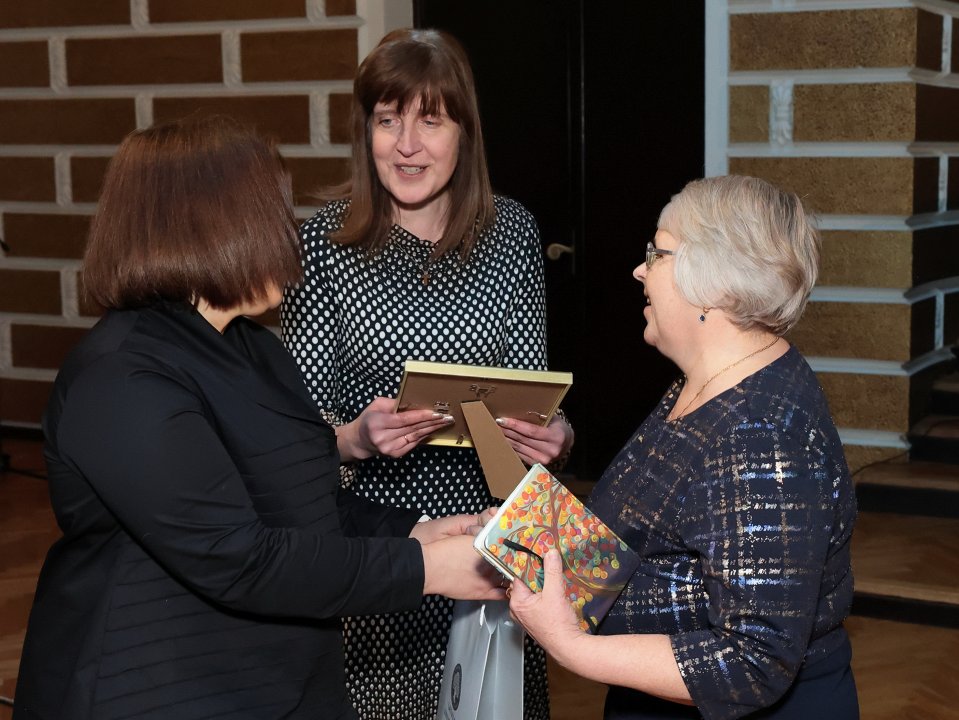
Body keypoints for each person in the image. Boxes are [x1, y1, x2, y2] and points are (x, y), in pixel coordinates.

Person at [12, 116, 505, 720]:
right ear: (214, 225)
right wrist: (426, 568)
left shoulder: (255, 348)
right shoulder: (122, 377)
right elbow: (238, 556)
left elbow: (299, 501)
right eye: (274, 211)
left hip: (278, 677)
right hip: (155, 685)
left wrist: (419, 532)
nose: (291, 235)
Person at [281, 27, 572, 720]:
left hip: (488, 536)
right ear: (366, 131)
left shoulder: (512, 233)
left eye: (429, 121)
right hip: (378, 541)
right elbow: (294, 440)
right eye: (387, 121)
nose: (406, 145)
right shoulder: (324, 243)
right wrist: (354, 437)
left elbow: (526, 398)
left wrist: (553, 438)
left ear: (464, 133)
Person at [508, 175, 859, 719]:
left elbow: (753, 662)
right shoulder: (704, 380)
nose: (641, 269)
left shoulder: (758, 433)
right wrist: (523, 532)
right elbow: (654, 532)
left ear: (714, 283)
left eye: (660, 252)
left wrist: (569, 645)